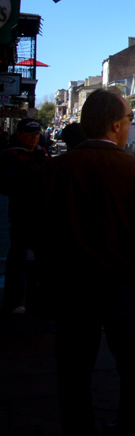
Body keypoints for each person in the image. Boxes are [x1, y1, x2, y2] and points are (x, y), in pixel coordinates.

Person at [46, 88, 135, 436]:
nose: (130, 129)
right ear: (115, 125)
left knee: (74, 378)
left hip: (73, 290)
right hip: (125, 290)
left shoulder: (57, 170)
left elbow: (44, 235)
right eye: (128, 122)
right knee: (134, 375)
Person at [0, 117, 50, 316]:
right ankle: (13, 301)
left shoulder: (42, 154)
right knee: (17, 258)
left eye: (37, 134)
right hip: (21, 213)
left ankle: (38, 300)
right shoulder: (10, 156)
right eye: (30, 134)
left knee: (42, 259)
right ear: (20, 134)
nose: (34, 138)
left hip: (41, 215)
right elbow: (6, 185)